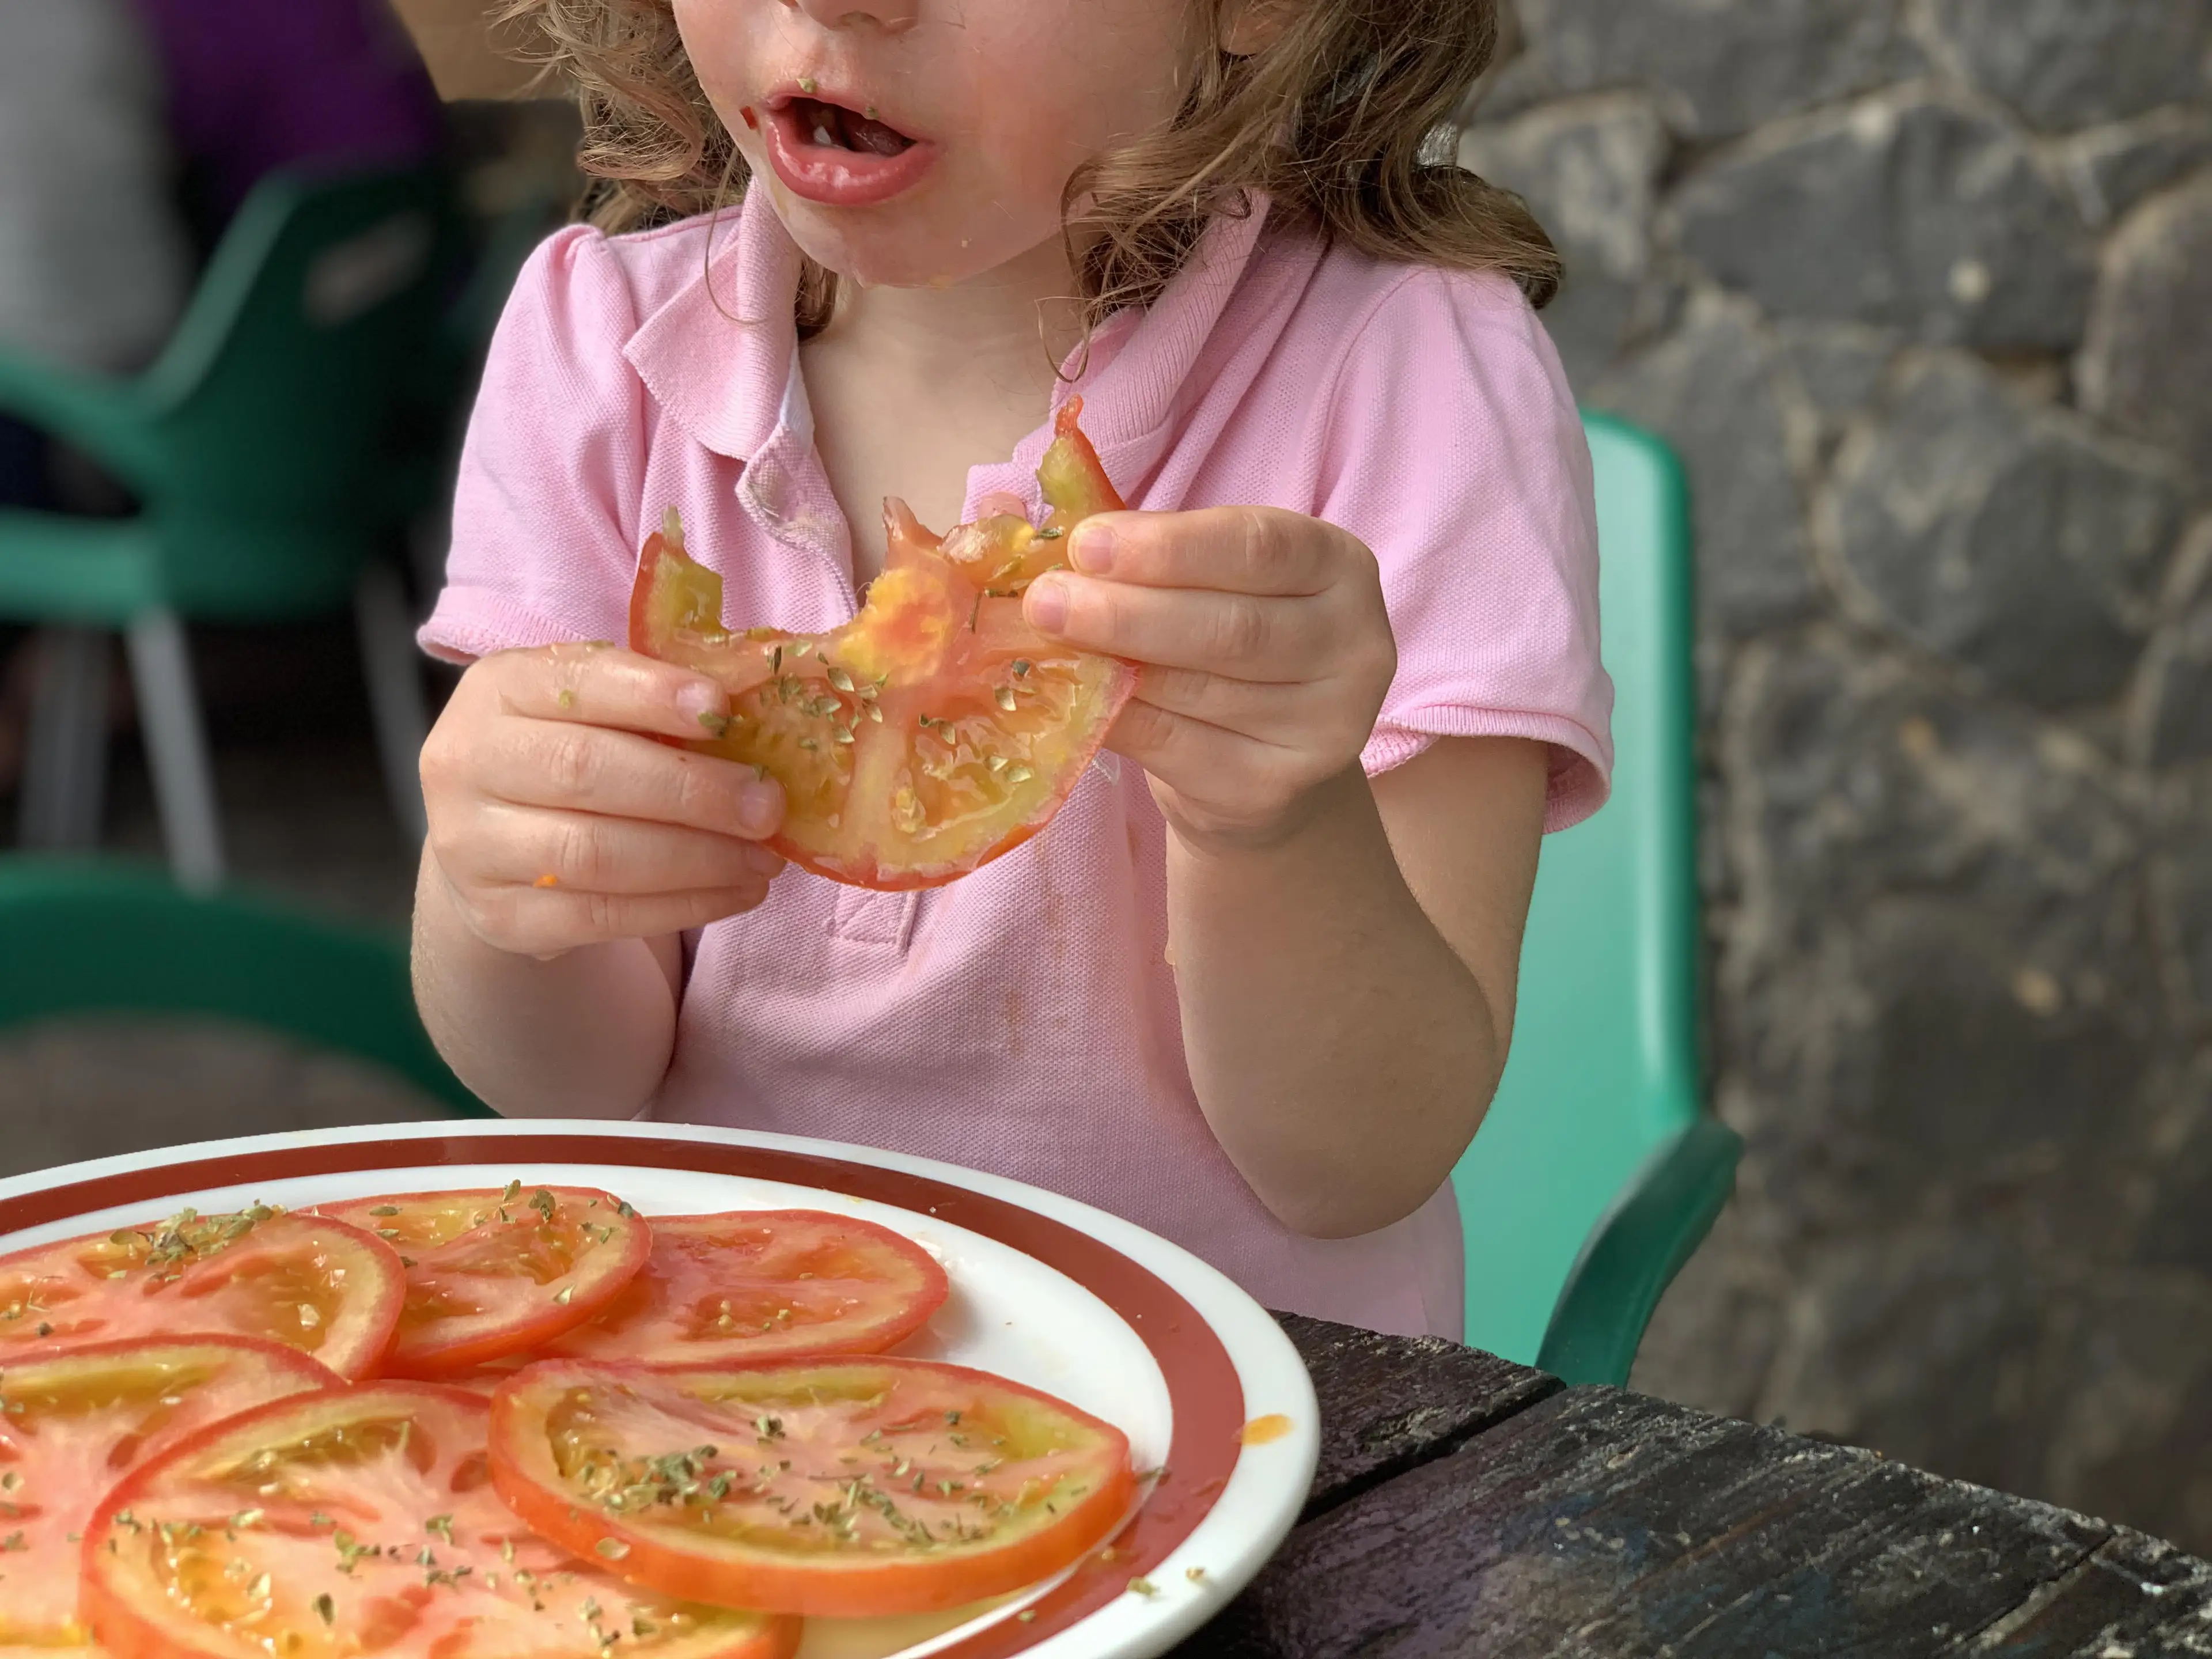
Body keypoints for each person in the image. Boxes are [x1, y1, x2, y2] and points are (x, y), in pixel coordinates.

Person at [411, 0, 1612, 1340]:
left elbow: (1358, 1164)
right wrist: (495, 889)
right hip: (733, 1384)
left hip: (1261, 1407)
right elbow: (567, 1082)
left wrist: (1276, 825)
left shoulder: (1409, 377)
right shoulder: (593, 351)